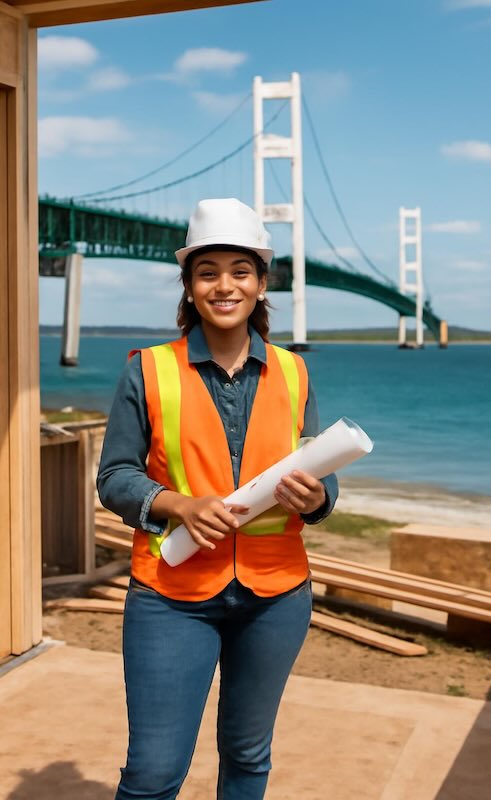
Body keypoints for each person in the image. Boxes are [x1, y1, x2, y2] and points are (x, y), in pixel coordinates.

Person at [97, 198, 339, 800]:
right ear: (189, 286)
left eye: (240, 270)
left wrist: (315, 498)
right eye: (208, 272)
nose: (224, 285)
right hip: (170, 593)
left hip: (277, 593)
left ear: (262, 284)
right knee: (153, 773)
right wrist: (176, 505)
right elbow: (115, 478)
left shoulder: (296, 373)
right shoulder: (147, 371)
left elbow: (323, 475)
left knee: (249, 756)